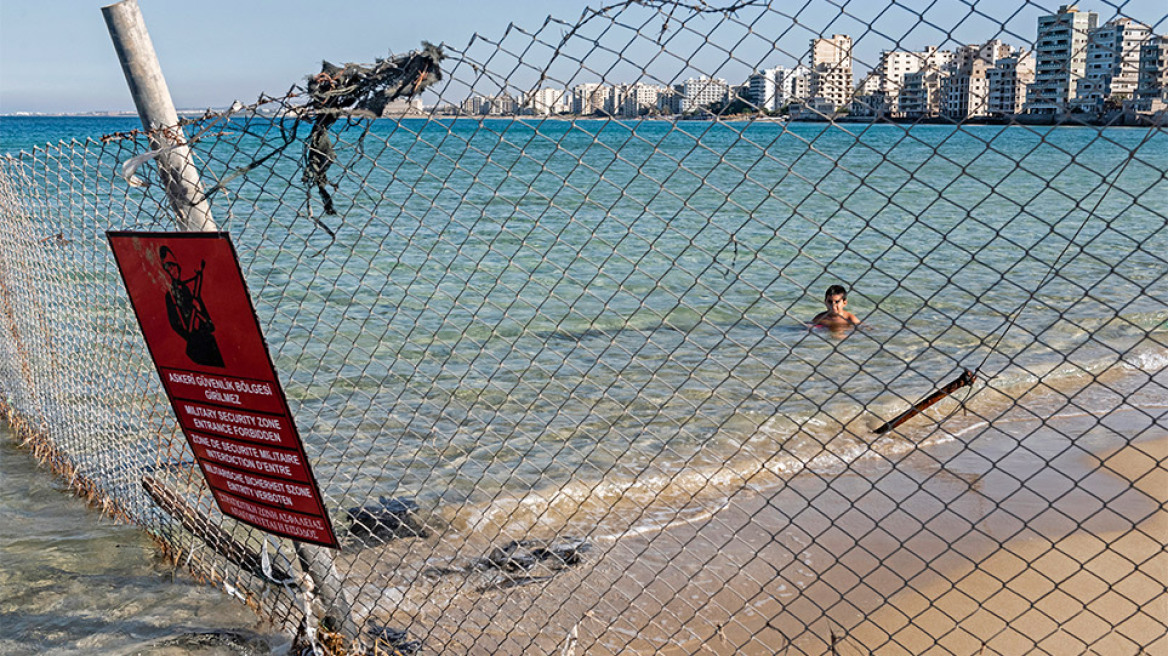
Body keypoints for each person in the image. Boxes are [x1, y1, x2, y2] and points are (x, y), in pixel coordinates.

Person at [160, 246, 224, 367]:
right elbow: (175, 324)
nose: (172, 269)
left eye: (173, 265)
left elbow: (210, 325)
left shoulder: (186, 289)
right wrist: (190, 335)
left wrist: (199, 311)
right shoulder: (171, 296)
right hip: (196, 349)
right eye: (168, 267)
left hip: (208, 344)